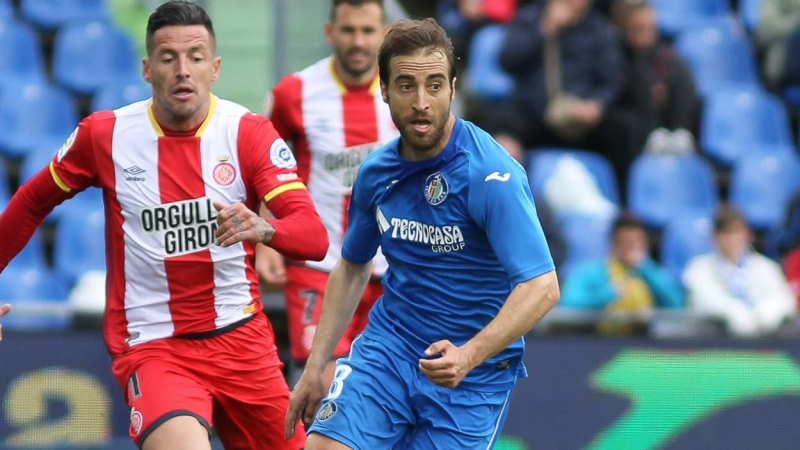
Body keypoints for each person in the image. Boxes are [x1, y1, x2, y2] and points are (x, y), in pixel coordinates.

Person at [0, 2, 328, 449]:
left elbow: (314, 236)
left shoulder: (248, 133)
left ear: (215, 68)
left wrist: (265, 230)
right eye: (168, 58)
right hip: (156, 345)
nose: (182, 70)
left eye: (195, 57)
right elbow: (31, 201)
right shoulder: (105, 135)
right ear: (147, 69)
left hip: (242, 340)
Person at [285, 18, 560, 449]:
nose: (420, 102)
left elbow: (542, 287)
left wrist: (469, 354)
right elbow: (353, 267)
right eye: (406, 86)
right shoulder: (376, 173)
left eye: (434, 86)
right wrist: (315, 366)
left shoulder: (490, 174)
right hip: (388, 352)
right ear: (384, 90)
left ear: (453, 89)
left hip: (470, 378)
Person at [259, 0, 397, 387]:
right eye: (348, 30)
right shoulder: (295, 92)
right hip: (319, 264)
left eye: (367, 31)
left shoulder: (404, 92)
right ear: (329, 32)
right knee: (323, 385)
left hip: (392, 268)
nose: (358, 42)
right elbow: (261, 164)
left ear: (384, 34)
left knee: (383, 388)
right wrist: (266, 241)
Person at [485, 0, 631, 173]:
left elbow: (612, 79)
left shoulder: (599, 29)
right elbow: (508, 61)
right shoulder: (530, 18)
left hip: (582, 119)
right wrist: (546, 29)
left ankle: (621, 188)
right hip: (536, 114)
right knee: (501, 121)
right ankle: (510, 184)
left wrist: (597, 105)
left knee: (623, 128)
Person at [683, 206, 797, 338]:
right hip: (713, 344)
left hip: (763, 344)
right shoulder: (698, 269)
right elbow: (705, 301)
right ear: (714, 237)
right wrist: (733, 311)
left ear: (747, 235)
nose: (731, 239)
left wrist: (766, 313)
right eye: (725, 233)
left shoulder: (766, 267)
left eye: (736, 232)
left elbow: (785, 300)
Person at [610, 0, 698, 156]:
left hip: (665, 123)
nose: (646, 35)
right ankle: (651, 135)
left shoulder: (666, 57)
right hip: (629, 122)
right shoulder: (613, 54)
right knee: (640, 77)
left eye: (651, 28)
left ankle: (681, 133)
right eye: (639, 28)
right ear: (622, 29)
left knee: (679, 71)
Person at [560, 212, 684, 320]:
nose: (633, 248)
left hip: (644, 337)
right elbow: (568, 304)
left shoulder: (652, 272)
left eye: (638, 241)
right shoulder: (591, 273)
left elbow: (677, 304)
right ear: (614, 243)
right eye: (626, 242)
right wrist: (608, 294)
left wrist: (645, 269)